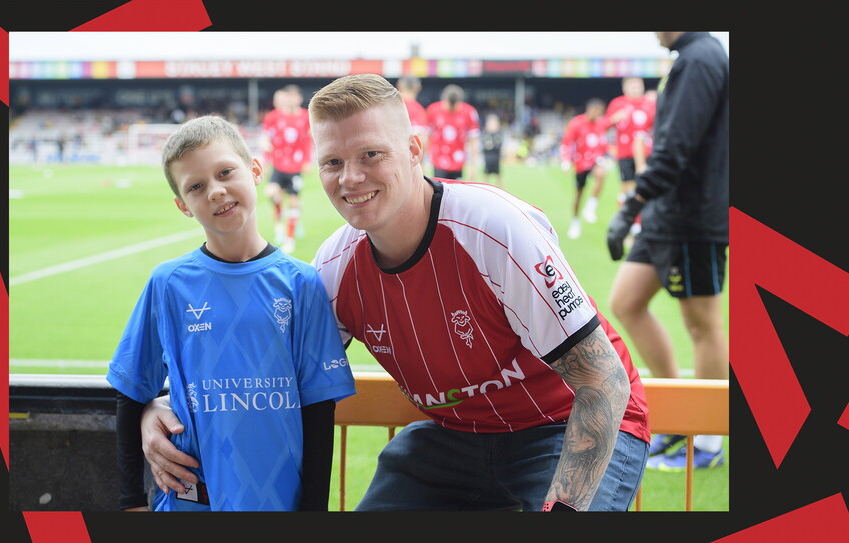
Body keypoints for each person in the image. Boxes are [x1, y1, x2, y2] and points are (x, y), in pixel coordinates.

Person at [141, 74, 650, 512]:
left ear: (412, 151)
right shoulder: (335, 269)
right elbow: (269, 379)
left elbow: (603, 383)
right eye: (332, 162)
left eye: (370, 155)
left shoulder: (494, 230)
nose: (351, 178)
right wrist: (159, 408)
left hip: (563, 425)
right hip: (454, 440)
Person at [107, 114, 356, 511]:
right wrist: (131, 502)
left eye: (225, 172)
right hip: (190, 503)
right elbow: (132, 392)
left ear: (255, 170)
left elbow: (318, 409)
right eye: (197, 186)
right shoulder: (168, 284)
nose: (217, 191)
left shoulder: (301, 284)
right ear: (182, 205)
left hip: (278, 503)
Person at [606, 32, 729, 471]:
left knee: (702, 324)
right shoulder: (688, 58)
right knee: (627, 301)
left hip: (694, 218)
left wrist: (632, 205)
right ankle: (681, 418)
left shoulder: (702, 58)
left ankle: (710, 441)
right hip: (667, 214)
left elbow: (676, 147)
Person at [261, 84, 311, 254]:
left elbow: (307, 140)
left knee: (293, 201)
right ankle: (280, 219)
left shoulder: (305, 117)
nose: (289, 100)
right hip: (278, 165)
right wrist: (266, 159)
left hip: (295, 168)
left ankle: (289, 239)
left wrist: (307, 160)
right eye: (287, 97)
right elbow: (266, 138)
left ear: (298, 99)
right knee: (270, 193)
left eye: (293, 97)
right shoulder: (274, 117)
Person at [605, 77, 656, 235]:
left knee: (645, 189)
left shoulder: (650, 105)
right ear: (625, 88)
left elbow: (658, 127)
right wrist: (614, 119)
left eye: (638, 85)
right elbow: (604, 126)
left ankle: (641, 224)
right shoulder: (618, 104)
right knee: (627, 190)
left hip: (646, 154)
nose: (636, 88)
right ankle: (625, 224)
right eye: (632, 85)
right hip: (625, 154)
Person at [559, 98, 610, 240]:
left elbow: (603, 139)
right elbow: (567, 142)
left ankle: (591, 207)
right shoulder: (577, 123)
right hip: (580, 163)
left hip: (595, 161)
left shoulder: (600, 123)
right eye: (597, 112)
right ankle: (575, 221)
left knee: (601, 174)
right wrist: (566, 161)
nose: (599, 115)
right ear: (591, 110)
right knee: (579, 194)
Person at [425, 83, 480, 180]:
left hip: (458, 162)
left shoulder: (469, 112)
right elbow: (426, 136)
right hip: (438, 161)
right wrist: (422, 160)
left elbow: (474, 140)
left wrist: (473, 166)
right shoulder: (432, 110)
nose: (451, 109)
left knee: (456, 193)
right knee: (439, 193)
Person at [397, 75, 429, 151]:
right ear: (418, 88)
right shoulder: (419, 110)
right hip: (409, 157)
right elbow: (422, 140)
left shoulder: (389, 105)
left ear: (399, 85)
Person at [480, 112, 505, 188]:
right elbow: (484, 144)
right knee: (486, 174)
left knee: (498, 174)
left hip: (496, 159)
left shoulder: (499, 134)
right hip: (487, 159)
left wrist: (492, 145)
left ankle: (501, 189)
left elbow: (499, 144)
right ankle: (484, 188)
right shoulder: (485, 133)